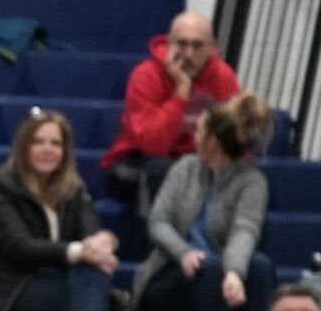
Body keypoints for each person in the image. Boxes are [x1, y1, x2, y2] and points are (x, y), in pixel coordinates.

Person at [135, 91, 275, 311]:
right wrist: (183, 252)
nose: (194, 134)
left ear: (212, 139)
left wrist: (235, 273)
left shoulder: (252, 181)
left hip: (218, 280)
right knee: (209, 266)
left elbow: (245, 230)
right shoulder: (184, 168)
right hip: (170, 275)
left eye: (199, 129)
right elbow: (159, 222)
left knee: (260, 266)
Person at [0, 110, 117, 311]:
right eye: (38, 142)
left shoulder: (73, 190)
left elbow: (90, 226)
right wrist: (82, 251)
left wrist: (104, 240)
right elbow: (21, 248)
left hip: (50, 280)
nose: (47, 149)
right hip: (4, 287)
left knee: (92, 274)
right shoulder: (0, 188)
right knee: (86, 286)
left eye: (55, 143)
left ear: (65, 151)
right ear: (24, 148)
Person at [102, 12, 240, 212]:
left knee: (245, 177)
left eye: (197, 45)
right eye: (181, 44)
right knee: (162, 170)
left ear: (212, 48)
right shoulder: (145, 75)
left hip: (197, 163)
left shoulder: (224, 77)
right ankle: (155, 243)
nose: (188, 54)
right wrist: (181, 92)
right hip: (137, 163)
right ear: (168, 44)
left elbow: (234, 141)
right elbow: (153, 145)